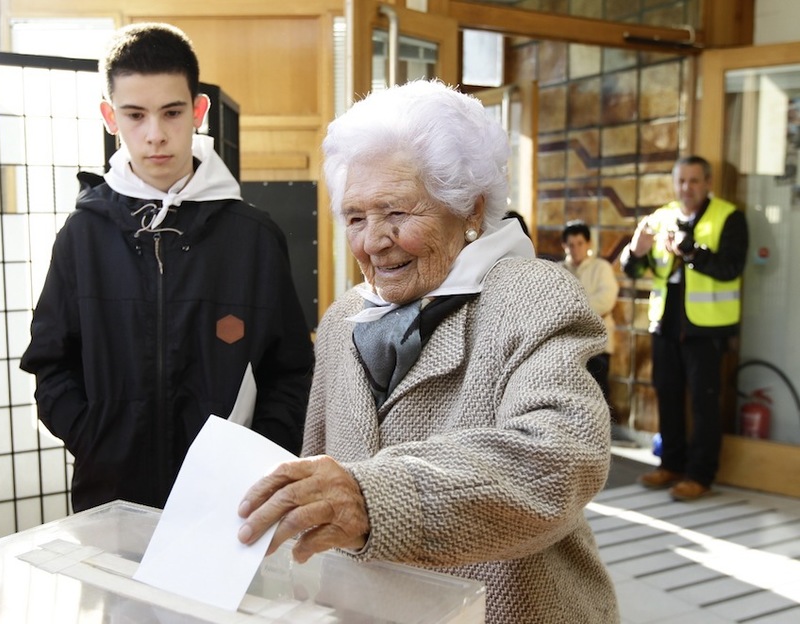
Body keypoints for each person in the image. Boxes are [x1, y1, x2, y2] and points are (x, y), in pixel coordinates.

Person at [236, 80, 619, 623]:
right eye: (355, 217)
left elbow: (562, 456)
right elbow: (317, 470)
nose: (373, 240)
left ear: (469, 209)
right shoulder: (345, 318)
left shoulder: (533, 295)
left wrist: (375, 497)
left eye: (396, 212)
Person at [19, 23, 314, 512]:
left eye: (172, 112)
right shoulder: (82, 236)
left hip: (228, 505)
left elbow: (291, 372)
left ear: (198, 111)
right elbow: (50, 365)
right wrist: (96, 441)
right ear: (110, 117)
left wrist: (251, 461)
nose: (155, 135)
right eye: (135, 115)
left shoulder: (254, 238)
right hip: (108, 502)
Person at [621, 155, 748, 501]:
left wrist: (691, 251)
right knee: (668, 395)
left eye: (694, 181)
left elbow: (731, 268)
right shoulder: (660, 217)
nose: (686, 188)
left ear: (707, 183)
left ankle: (700, 474)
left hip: (707, 328)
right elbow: (633, 269)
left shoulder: (729, 217)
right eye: (681, 181)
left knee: (705, 403)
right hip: (666, 322)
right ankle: (671, 464)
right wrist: (635, 251)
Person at [560, 220, 619, 412]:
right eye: (571, 244)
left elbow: (606, 300)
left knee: (597, 395)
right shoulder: (558, 270)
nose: (576, 249)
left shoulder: (601, 268)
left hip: (597, 343)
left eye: (580, 243)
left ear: (588, 244)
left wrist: (571, 311)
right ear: (564, 246)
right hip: (565, 345)